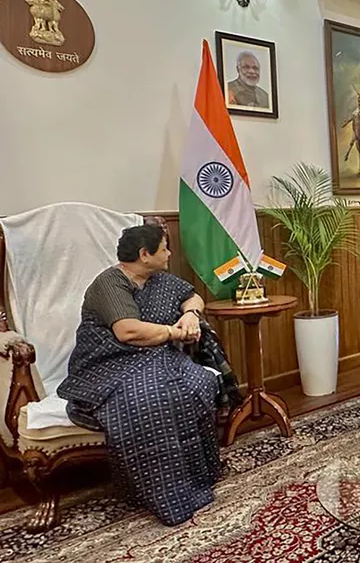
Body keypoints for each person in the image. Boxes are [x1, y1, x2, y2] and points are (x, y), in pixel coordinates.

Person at [58, 224, 236, 525]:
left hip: (156, 357)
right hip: (109, 365)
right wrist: (173, 331)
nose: (169, 253)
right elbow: (128, 331)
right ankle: (162, 493)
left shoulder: (159, 280)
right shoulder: (109, 284)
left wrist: (190, 314)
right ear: (144, 254)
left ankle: (198, 477)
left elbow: (192, 296)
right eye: (164, 248)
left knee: (199, 382)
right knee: (152, 398)